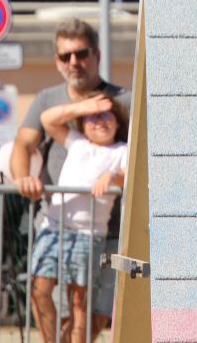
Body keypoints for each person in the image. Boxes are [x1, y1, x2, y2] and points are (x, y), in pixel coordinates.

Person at [10, 19, 130, 336]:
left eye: (81, 53)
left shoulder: (123, 101)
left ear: (97, 55)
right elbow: (24, 143)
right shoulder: (47, 99)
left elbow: (136, 159)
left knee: (93, 312)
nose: (74, 62)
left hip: (109, 229)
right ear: (57, 61)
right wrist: (23, 179)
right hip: (54, 222)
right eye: (65, 56)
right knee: (45, 297)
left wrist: (116, 176)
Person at [28, 92, 128, 342]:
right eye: (93, 117)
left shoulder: (122, 151)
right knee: (39, 289)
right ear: (83, 123)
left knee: (79, 302)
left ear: (117, 122)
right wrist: (83, 106)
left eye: (107, 115)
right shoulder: (77, 142)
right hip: (53, 227)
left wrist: (113, 177)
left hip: (88, 235)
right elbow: (47, 119)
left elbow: (130, 175)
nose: (100, 121)